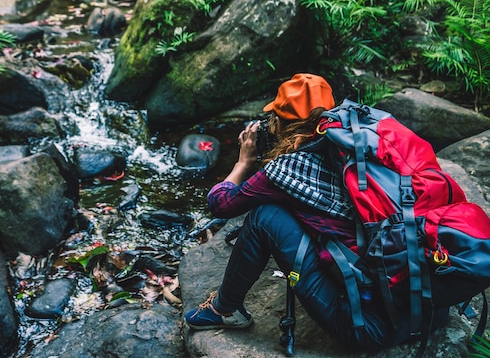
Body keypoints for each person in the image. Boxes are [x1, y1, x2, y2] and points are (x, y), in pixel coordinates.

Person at [183, 73, 448, 352]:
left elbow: (221, 204)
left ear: (281, 122)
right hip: (430, 307)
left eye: (274, 116)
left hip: (369, 326)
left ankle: (225, 309)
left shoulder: (287, 169)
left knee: (265, 216)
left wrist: (243, 162)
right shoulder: (357, 141)